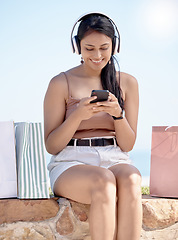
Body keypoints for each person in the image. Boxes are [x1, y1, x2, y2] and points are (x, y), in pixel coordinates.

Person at [44, 12, 142, 240]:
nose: (97, 56)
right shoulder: (60, 83)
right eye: (89, 48)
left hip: (114, 156)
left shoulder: (128, 83)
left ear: (114, 46)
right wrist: (77, 116)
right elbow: (52, 145)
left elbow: (127, 144)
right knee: (104, 180)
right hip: (70, 161)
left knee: (132, 178)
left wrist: (118, 115)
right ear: (77, 46)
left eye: (104, 48)